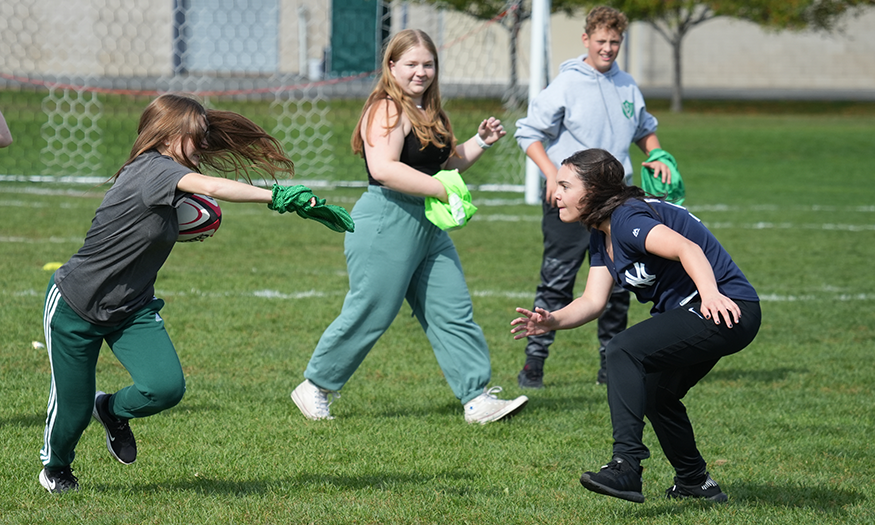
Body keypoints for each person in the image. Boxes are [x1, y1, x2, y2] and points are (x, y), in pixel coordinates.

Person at [39, 93, 351, 494]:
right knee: (73, 408)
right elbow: (212, 186)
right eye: (195, 136)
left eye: (205, 135)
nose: (203, 144)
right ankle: (56, 467)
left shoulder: (170, 175)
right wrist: (278, 197)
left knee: (165, 387)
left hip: (131, 308)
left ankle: (112, 410)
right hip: (76, 305)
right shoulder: (153, 169)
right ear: (167, 136)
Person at [290, 29, 528, 424]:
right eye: (412, 64)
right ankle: (316, 386)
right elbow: (385, 169)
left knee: (452, 309)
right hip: (386, 219)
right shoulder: (385, 108)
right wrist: (441, 191)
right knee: (373, 310)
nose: (421, 72)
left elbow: (444, 165)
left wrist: (480, 142)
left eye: (428, 64)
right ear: (391, 66)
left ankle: (477, 399)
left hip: (428, 223)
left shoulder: (430, 111)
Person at [511, 149, 760, 503]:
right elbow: (592, 302)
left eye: (566, 185)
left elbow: (687, 248)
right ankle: (694, 481)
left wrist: (711, 294)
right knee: (656, 393)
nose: (556, 193)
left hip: (726, 307)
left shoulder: (626, 218)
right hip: (707, 309)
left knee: (623, 348)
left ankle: (626, 465)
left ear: (594, 189)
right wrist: (552, 321)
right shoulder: (601, 232)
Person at [514, 5, 672, 389]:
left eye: (614, 42)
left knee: (619, 286)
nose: (608, 48)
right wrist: (552, 175)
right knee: (557, 281)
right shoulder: (567, 84)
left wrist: (657, 154)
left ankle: (610, 363)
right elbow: (528, 133)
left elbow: (644, 130)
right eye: (601, 41)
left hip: (616, 205)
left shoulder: (627, 86)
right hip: (567, 201)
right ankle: (534, 363)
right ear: (586, 39)